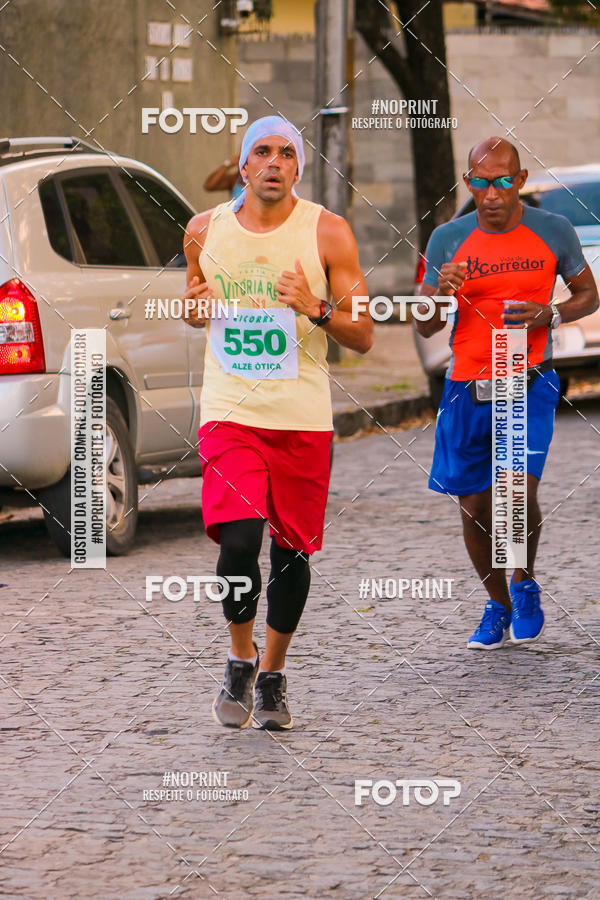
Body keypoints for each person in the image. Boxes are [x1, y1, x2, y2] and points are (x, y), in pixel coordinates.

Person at [183, 115, 373, 728]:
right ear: (242, 166)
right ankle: (240, 659)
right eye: (261, 152)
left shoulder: (329, 232)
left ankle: (272, 674)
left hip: (301, 415)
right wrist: (193, 309)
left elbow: (364, 333)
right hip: (230, 411)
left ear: (298, 168)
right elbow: (193, 303)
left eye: (286, 154)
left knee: (291, 556)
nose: (273, 163)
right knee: (238, 543)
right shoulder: (202, 230)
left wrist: (313, 307)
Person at [417, 136, 598, 650]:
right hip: (466, 384)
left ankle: (522, 582)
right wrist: (440, 293)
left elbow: (588, 294)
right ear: (468, 183)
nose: (490, 192)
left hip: (528, 376)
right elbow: (426, 325)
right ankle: (497, 603)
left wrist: (552, 313)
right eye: (479, 181)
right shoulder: (447, 240)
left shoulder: (553, 231)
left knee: (516, 491)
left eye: (501, 181)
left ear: (519, 181)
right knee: (474, 504)